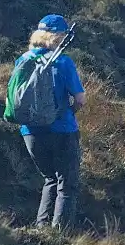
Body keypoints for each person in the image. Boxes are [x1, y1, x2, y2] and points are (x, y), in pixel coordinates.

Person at [9, 15, 85, 230]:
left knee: (49, 179)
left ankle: (42, 228)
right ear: (59, 36)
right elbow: (80, 99)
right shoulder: (62, 61)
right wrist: (67, 113)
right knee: (67, 185)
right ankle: (60, 234)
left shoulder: (22, 60)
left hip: (30, 131)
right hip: (62, 129)